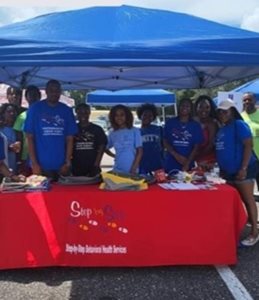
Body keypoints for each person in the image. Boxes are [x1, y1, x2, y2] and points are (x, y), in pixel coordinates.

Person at [215, 98, 259, 246]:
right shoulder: (222, 128)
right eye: (220, 111)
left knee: (248, 200)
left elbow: (248, 145)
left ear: (232, 111)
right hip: (228, 172)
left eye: (225, 111)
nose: (222, 114)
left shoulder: (238, 125)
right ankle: (238, 230)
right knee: (236, 202)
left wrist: (244, 168)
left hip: (242, 170)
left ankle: (254, 233)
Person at [24, 79, 77, 181]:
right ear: (46, 91)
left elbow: (70, 138)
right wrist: (34, 163)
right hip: (40, 167)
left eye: (57, 90)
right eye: (51, 90)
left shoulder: (66, 110)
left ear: (60, 92)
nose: (54, 93)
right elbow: (29, 138)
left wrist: (67, 162)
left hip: (61, 167)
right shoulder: (35, 109)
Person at [163, 98, 203, 173]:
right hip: (171, 163)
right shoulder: (170, 123)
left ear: (191, 109)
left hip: (187, 164)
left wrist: (188, 162)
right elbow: (165, 141)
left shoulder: (195, 125)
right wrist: (176, 155)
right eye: (182, 105)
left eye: (187, 106)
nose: (185, 108)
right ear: (178, 107)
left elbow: (196, 146)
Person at [71, 103, 107, 177]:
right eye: (80, 112)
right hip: (75, 167)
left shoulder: (97, 129)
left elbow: (102, 147)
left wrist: (96, 165)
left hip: (93, 166)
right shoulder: (72, 128)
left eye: (86, 112)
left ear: (89, 113)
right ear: (76, 113)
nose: (83, 115)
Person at [106, 104, 143, 174]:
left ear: (127, 116)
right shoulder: (112, 133)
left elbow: (140, 152)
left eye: (122, 115)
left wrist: (134, 168)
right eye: (116, 115)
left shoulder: (135, 131)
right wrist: (114, 156)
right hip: (117, 170)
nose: (119, 117)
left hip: (132, 170)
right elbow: (105, 148)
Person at [13, 85, 41, 175]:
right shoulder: (22, 116)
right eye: (30, 95)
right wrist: (20, 159)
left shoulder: (45, 114)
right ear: (26, 97)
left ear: (39, 96)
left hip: (42, 154)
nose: (33, 97)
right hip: (25, 157)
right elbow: (18, 139)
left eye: (35, 95)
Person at [136, 103, 164, 174]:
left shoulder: (159, 129)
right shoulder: (136, 132)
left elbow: (165, 145)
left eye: (150, 115)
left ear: (153, 117)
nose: (147, 117)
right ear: (140, 116)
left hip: (158, 165)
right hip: (142, 166)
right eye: (145, 115)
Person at [194, 95, 218, 170]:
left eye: (207, 107)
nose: (204, 110)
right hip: (190, 158)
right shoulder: (191, 121)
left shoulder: (213, 123)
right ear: (196, 108)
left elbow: (211, 144)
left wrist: (196, 156)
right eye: (201, 107)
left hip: (208, 160)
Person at [241, 92, 259, 190]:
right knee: (247, 190)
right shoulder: (240, 117)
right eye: (245, 100)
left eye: (249, 99)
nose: (247, 102)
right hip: (247, 160)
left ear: (255, 101)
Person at [0, 103, 23, 174]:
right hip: (2, 168)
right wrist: (9, 147)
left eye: (14, 111)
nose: (12, 114)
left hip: (14, 166)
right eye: (9, 111)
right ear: (3, 114)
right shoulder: (1, 129)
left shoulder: (18, 129)